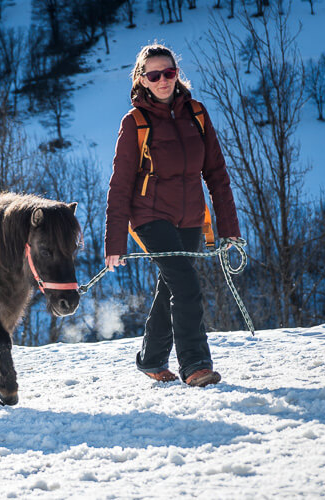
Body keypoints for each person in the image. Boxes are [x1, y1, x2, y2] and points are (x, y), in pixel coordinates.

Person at [104, 43, 242, 388]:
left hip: (192, 216)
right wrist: (114, 241)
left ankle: (151, 359)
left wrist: (229, 228)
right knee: (186, 285)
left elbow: (217, 174)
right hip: (150, 216)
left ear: (177, 74)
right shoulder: (135, 123)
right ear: (143, 79)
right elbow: (120, 185)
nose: (163, 80)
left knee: (172, 287)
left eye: (169, 72)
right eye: (155, 75)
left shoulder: (196, 113)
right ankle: (195, 364)